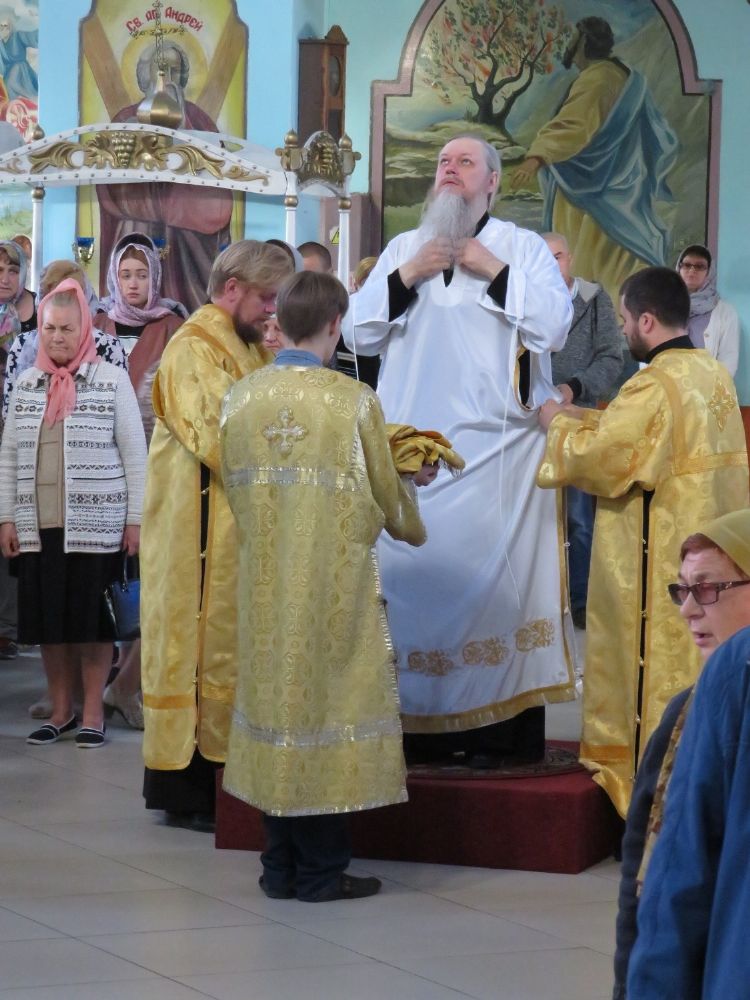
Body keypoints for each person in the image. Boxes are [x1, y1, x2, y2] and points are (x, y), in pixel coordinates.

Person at [343, 133, 575, 768]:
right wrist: (410, 274)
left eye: (465, 162)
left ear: (492, 182)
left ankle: (499, 735)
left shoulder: (521, 247)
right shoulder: (404, 249)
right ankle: (417, 733)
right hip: (414, 458)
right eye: (444, 162)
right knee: (412, 588)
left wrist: (489, 267)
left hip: (498, 459)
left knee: (496, 594)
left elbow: (553, 327)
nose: (450, 169)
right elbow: (355, 333)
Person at [221, 270, 428, 902]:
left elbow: (233, 487)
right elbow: (386, 497)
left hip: (264, 584)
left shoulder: (240, 399)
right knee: (327, 709)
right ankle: (320, 871)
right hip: (330, 589)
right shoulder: (351, 402)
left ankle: (278, 866)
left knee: (277, 710)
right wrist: (410, 497)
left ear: (278, 321)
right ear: (335, 324)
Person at [537, 266, 749, 817]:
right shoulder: (712, 374)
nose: (625, 328)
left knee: (652, 681)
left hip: (659, 574)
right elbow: (640, 437)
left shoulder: (653, 384)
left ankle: (643, 795)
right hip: (711, 567)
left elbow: (608, 459)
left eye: (626, 319)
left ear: (647, 321)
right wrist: (583, 416)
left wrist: (556, 423)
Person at [140, 240, 293, 831]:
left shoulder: (244, 344)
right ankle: (189, 792)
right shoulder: (193, 348)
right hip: (195, 536)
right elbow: (220, 435)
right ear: (232, 289)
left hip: (232, 532)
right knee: (197, 652)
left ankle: (224, 779)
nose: (271, 310)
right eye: (265, 297)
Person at [0, 278, 146, 748]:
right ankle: (61, 711)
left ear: (84, 329)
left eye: (66, 328)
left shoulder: (110, 380)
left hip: (97, 528)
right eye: (49, 328)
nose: (57, 337)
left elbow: (135, 455)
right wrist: (6, 517)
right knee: (50, 625)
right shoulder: (27, 384)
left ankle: (93, 713)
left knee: (93, 626)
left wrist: (135, 520)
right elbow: (8, 456)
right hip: (37, 526)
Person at [613, 509, 750, 998]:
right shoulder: (683, 713)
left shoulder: (723, 696)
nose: (688, 609)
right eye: (683, 590)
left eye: (708, 588)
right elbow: (647, 876)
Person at [511, 17, 678, 309]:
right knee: (615, 261)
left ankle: (594, 320)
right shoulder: (622, 74)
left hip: (591, 190)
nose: (570, 48)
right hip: (622, 184)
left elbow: (573, 126)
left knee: (589, 259)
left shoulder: (598, 78)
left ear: (585, 42)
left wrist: (536, 158)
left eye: (574, 41)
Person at [94, 234, 186, 730]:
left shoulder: (172, 325)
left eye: (142, 275)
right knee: (106, 578)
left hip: (155, 463)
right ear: (114, 276)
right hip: (100, 465)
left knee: (150, 577)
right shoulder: (96, 322)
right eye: (126, 275)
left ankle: (129, 684)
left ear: (156, 277)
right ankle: (92, 688)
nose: (133, 284)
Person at [97, 42, 233, 313]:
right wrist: (159, 205)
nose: (166, 78)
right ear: (144, 75)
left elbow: (217, 189)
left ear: (183, 77)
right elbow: (109, 186)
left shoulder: (199, 121)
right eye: (159, 69)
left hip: (187, 239)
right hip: (137, 227)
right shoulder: (125, 119)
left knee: (190, 304)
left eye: (174, 70)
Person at [543, 232, 623, 629]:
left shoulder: (593, 300)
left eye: (557, 256)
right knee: (533, 516)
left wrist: (575, 386)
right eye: (543, 258)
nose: (551, 264)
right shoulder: (525, 300)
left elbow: (612, 356)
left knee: (578, 517)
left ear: (570, 258)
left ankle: (580, 600)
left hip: (577, 420)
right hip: (529, 424)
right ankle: (539, 599)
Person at [3, 258, 127, 423]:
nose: (62, 305)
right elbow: (10, 411)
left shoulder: (108, 346)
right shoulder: (22, 344)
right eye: (54, 296)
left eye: (71, 296)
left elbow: (123, 414)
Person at [676, 243, 740, 377]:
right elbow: (651, 349)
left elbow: (728, 360)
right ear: (679, 268)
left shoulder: (725, 312)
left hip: (705, 387)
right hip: (666, 385)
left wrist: (711, 388)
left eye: (699, 266)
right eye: (687, 265)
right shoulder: (664, 305)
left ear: (709, 272)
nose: (692, 270)